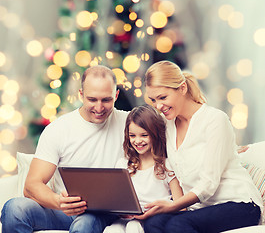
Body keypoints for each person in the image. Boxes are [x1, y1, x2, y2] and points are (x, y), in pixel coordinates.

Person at [136, 60, 263, 233]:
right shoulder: (167, 126)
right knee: (154, 223)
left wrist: (172, 206)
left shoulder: (215, 120)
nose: (158, 106)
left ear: (182, 88)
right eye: (153, 100)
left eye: (163, 97)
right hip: (200, 209)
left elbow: (208, 184)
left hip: (239, 204)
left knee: (177, 225)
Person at [1, 65, 129, 233]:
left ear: (116, 95)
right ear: (81, 95)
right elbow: (31, 185)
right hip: (64, 212)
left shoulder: (130, 124)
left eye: (106, 100)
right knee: (14, 208)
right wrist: (59, 202)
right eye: (92, 100)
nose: (99, 108)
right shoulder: (59, 129)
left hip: (104, 213)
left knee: (84, 224)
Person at [104, 105, 184, 233]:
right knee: (111, 230)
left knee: (133, 228)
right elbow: (117, 200)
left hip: (153, 219)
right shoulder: (123, 164)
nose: (138, 141)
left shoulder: (166, 165)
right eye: (132, 136)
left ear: (155, 134)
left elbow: (181, 206)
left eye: (144, 135)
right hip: (127, 219)